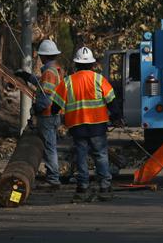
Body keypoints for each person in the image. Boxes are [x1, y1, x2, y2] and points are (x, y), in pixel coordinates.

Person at [51, 46, 119, 202]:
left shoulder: (68, 81)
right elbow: (111, 101)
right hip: (97, 125)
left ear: (76, 64)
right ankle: (104, 186)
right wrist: (117, 116)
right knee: (100, 155)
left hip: (77, 126)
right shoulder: (99, 79)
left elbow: (55, 106)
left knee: (81, 156)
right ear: (92, 64)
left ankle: (83, 186)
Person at [33, 39, 66, 188]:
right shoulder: (56, 70)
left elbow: (45, 97)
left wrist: (36, 108)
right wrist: (29, 78)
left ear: (43, 57)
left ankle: (53, 179)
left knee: (49, 147)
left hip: (47, 114)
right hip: (54, 114)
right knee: (50, 146)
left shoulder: (48, 72)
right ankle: (52, 176)